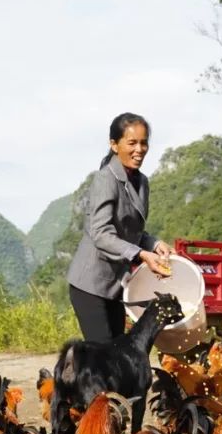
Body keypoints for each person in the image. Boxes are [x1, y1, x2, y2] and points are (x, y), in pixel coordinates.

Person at [66, 112, 172, 342]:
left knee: (117, 355)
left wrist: (154, 244)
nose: (139, 149)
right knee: (104, 358)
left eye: (144, 143)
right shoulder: (106, 179)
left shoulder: (142, 182)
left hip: (116, 286)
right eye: (132, 143)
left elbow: (131, 232)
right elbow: (101, 233)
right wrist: (142, 255)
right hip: (91, 284)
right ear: (114, 145)